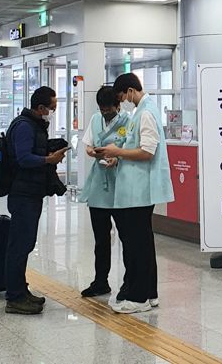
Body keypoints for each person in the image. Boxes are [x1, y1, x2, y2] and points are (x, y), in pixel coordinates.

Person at [96, 73, 174, 314]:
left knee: (136, 245)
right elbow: (134, 148)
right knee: (142, 243)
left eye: (124, 97)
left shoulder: (146, 113)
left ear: (130, 90)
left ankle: (138, 297)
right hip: (134, 189)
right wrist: (116, 159)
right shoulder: (141, 111)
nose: (125, 102)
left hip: (139, 191)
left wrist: (117, 151)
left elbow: (147, 152)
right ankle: (149, 293)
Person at [4, 86, 69, 315]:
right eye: (51, 108)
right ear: (39, 107)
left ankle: (21, 291)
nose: (52, 112)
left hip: (31, 192)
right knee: (20, 245)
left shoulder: (33, 125)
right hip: (23, 194)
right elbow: (23, 158)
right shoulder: (24, 126)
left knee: (25, 244)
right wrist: (48, 159)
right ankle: (14, 297)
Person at [78, 86, 130, 298]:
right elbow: (88, 144)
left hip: (121, 184)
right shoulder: (95, 119)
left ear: (118, 104)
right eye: (102, 109)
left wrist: (117, 157)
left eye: (109, 109)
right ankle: (100, 281)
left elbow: (132, 148)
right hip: (100, 184)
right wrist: (91, 151)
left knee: (127, 238)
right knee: (101, 239)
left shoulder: (128, 122)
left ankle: (130, 282)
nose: (105, 113)